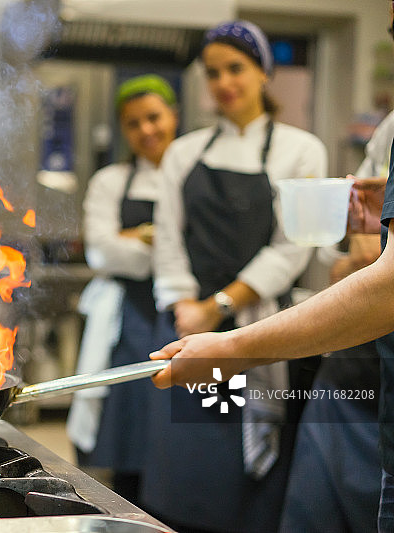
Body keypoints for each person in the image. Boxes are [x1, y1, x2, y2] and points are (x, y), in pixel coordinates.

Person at [142, 20, 328, 533]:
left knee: (249, 495)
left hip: (261, 328)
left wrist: (218, 306)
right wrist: (185, 305)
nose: (224, 82)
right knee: (183, 474)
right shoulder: (185, 152)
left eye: (236, 68)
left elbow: (291, 248)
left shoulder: (301, 149)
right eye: (213, 72)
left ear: (263, 72)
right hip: (186, 328)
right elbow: (169, 239)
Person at [278, 111, 394, 533]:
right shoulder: (391, 130)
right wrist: (360, 241)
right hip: (347, 381)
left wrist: (232, 347)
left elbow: (382, 283)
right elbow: (345, 259)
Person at [66, 74, 178, 504]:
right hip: (130, 318)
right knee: (130, 427)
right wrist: (162, 242)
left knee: (179, 429)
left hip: (184, 310)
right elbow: (100, 250)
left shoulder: (191, 176)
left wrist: (136, 236)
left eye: (154, 117)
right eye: (133, 123)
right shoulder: (110, 181)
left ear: (174, 116)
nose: (146, 129)